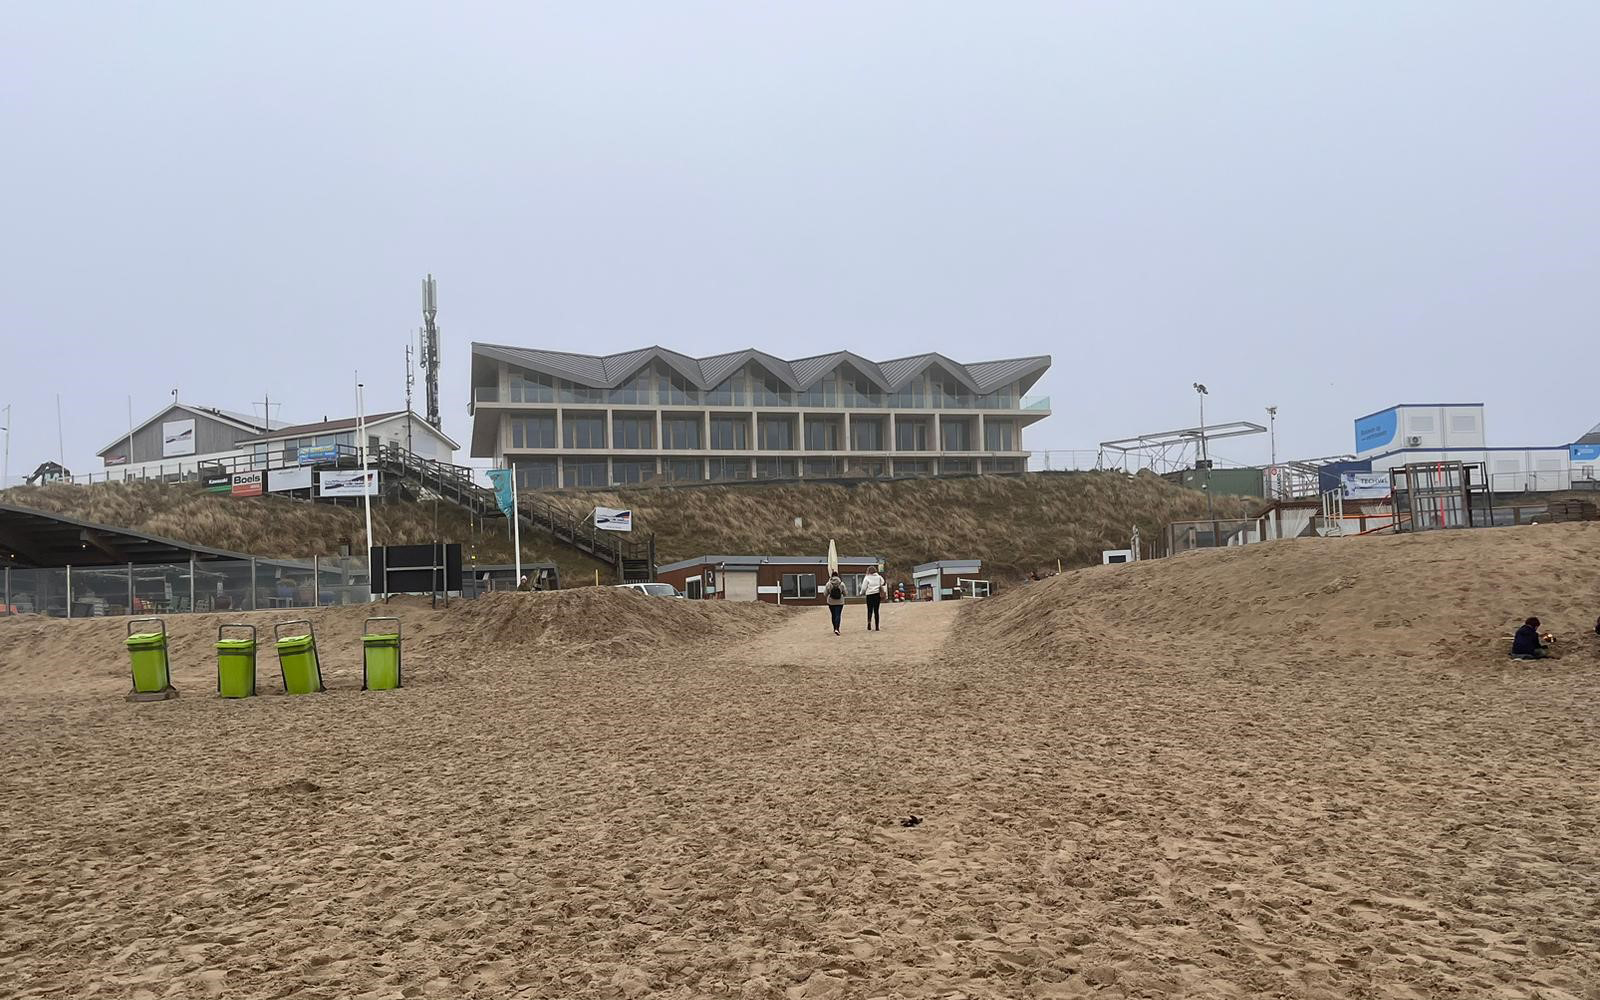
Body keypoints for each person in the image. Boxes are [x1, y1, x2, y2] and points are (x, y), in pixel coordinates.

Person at [862, 566, 885, 631]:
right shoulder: (879, 577)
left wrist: (861, 592)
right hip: (877, 595)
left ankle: (869, 623)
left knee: (869, 610)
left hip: (869, 595)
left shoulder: (867, 578)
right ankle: (877, 626)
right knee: (876, 610)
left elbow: (864, 587)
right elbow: (882, 582)